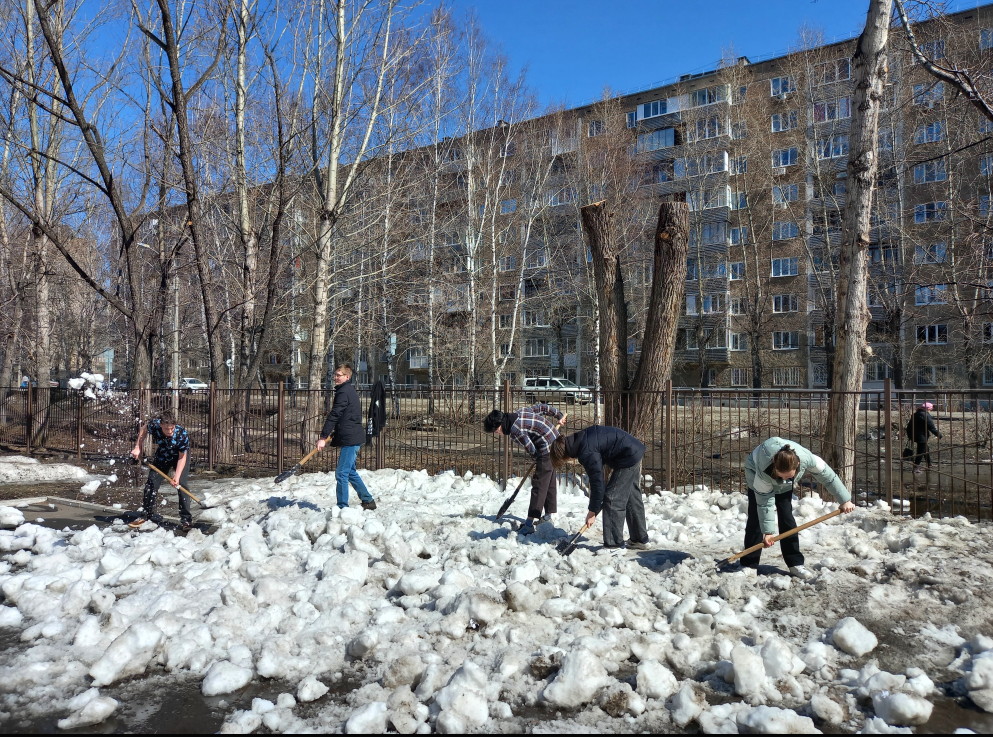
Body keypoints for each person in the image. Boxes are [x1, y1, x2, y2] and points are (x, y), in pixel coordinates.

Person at [742, 437, 855, 579]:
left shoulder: (807, 458)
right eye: (781, 477)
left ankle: (795, 563)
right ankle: (749, 564)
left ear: (798, 465)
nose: (784, 480)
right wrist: (769, 532)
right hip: (755, 471)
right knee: (756, 517)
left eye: (789, 477)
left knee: (786, 516)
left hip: (780, 475)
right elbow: (764, 504)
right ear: (775, 468)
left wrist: (845, 500)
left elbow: (829, 476)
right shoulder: (763, 472)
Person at [549, 426, 649, 550]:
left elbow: (597, 483)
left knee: (612, 498)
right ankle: (639, 539)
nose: (567, 461)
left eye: (564, 460)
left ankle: (613, 545)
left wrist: (592, 511)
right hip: (632, 450)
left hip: (627, 456)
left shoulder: (586, 451)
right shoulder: (579, 439)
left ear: (564, 454)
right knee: (631, 496)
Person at [484, 403, 565, 535]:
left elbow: (531, 449)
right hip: (556, 441)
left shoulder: (516, 431)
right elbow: (542, 408)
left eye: (496, 430)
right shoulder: (518, 413)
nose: (497, 433)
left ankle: (529, 524)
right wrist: (558, 415)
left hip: (548, 448)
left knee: (539, 484)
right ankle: (549, 516)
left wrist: (536, 459)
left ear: (500, 424)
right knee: (548, 480)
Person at [317, 364, 377, 510]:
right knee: (349, 472)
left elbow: (335, 414)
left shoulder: (344, 392)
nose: (336, 378)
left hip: (351, 438)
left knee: (341, 473)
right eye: (336, 375)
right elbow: (347, 416)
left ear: (347, 377)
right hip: (352, 435)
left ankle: (342, 507)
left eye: (339, 375)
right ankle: (368, 500)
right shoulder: (348, 390)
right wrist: (337, 430)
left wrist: (323, 436)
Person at [129, 409, 194, 531]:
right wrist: (138, 447)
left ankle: (186, 520)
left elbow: (182, 457)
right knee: (151, 483)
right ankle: (145, 516)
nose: (169, 431)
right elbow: (144, 430)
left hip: (179, 457)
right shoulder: (154, 425)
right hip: (163, 454)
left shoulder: (181, 434)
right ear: (161, 425)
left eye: (172, 428)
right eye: (166, 429)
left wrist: (177, 477)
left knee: (182, 484)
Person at [906, 402, 942, 475]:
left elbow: (909, 426)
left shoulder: (915, 414)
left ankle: (929, 464)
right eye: (931, 408)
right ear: (928, 409)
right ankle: (916, 467)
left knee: (925, 449)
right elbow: (931, 426)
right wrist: (939, 435)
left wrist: (909, 435)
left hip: (914, 435)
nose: (931, 410)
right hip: (921, 436)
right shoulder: (925, 415)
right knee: (920, 452)